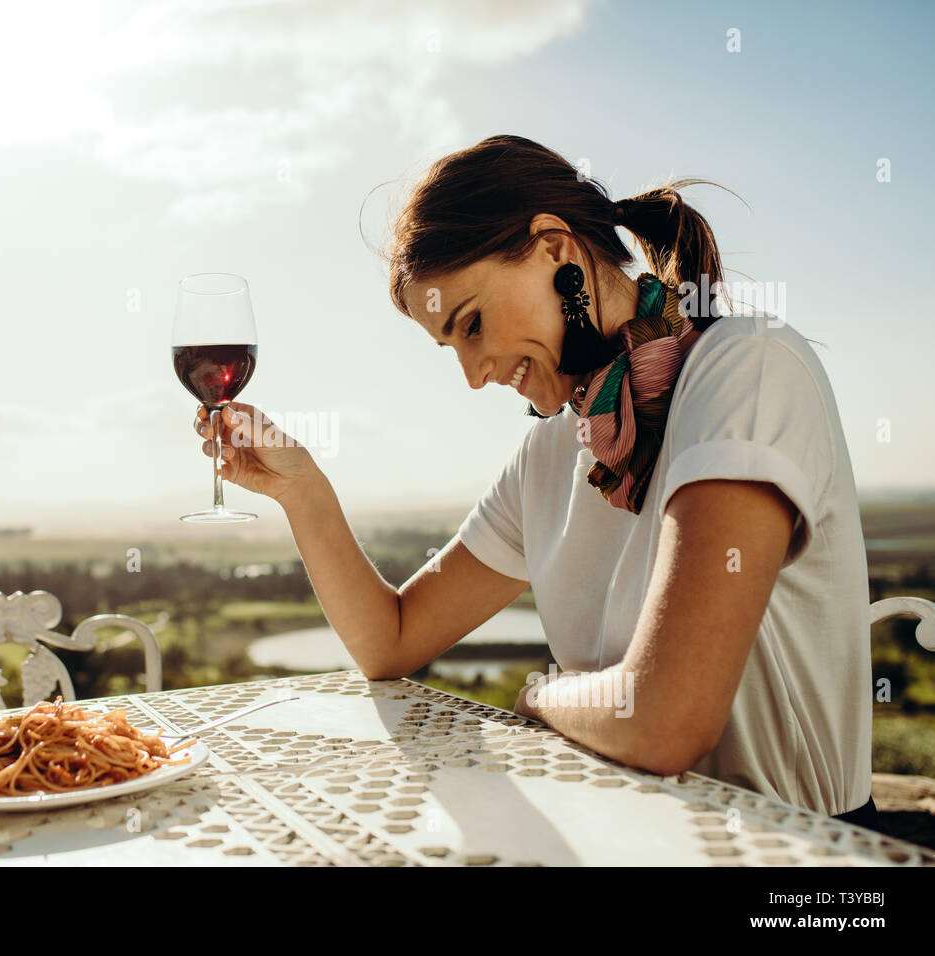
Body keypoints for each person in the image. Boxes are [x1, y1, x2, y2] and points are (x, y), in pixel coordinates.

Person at [190, 134, 883, 834]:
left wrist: (545, 695)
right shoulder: (552, 450)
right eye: (452, 346)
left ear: (555, 247)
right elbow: (390, 640)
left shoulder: (746, 369)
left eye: (474, 324)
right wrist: (302, 489)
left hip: (800, 856)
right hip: (626, 841)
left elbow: (664, 721)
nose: (474, 373)